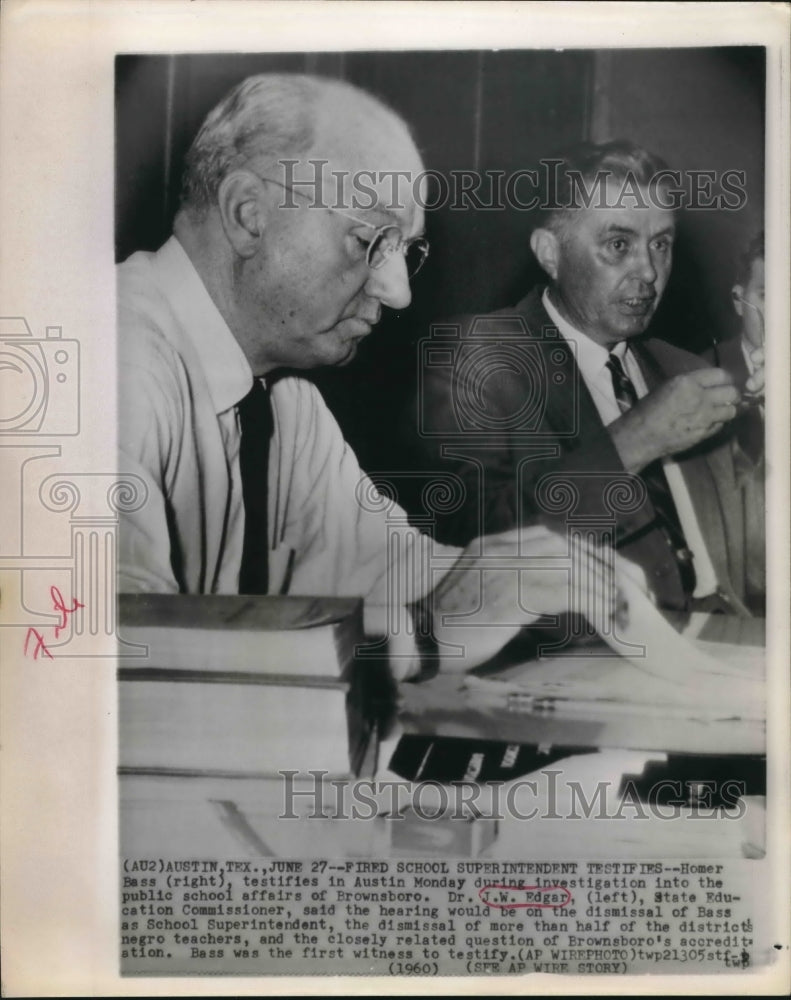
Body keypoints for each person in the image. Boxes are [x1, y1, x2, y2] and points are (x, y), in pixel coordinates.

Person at [117, 73, 614, 676]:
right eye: (369, 240)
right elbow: (117, 673)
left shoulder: (283, 399)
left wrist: (534, 578)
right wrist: (426, 634)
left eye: (407, 252)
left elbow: (387, 565)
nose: (398, 292)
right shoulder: (106, 358)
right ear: (248, 215)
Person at [411, 140, 756, 617]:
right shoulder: (478, 356)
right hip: (580, 658)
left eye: (661, 244)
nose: (650, 272)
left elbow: (756, 551)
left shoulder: (686, 371)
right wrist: (635, 440)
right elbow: (469, 545)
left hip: (725, 643)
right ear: (550, 254)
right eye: (619, 245)